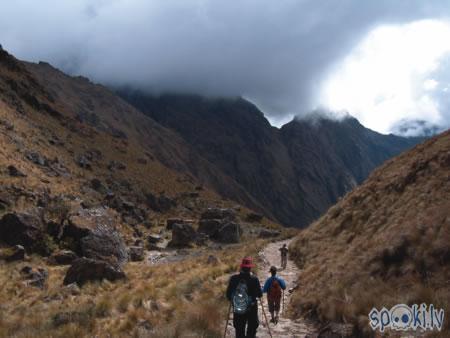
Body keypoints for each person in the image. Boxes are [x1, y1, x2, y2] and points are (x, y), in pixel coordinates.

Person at [226, 257, 263, 338]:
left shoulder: (234, 278)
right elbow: (260, 294)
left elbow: (228, 295)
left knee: (239, 331)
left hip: (238, 309)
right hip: (251, 309)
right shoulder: (254, 279)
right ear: (250, 268)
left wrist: (235, 301)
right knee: (252, 329)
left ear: (241, 267)